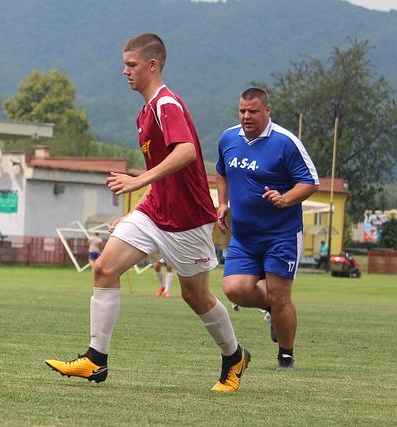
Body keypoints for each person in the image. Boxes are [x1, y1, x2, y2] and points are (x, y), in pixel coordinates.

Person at [46, 33, 249, 392]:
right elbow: (165, 176)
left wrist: (138, 181)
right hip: (156, 211)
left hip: (188, 221)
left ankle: (234, 357)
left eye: (132, 65)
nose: (125, 72)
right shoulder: (145, 113)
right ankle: (96, 360)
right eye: (124, 65)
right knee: (105, 267)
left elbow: (186, 153)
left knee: (195, 296)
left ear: (152, 65)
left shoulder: (166, 105)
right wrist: (137, 211)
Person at [215, 87, 319, 371]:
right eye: (242, 111)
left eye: (253, 111)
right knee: (233, 289)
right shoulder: (228, 138)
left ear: (267, 111)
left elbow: (310, 181)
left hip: (281, 234)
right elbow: (221, 172)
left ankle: (286, 356)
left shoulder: (285, 142)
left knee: (280, 294)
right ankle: (274, 310)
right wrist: (222, 203)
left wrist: (285, 199)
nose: (246, 116)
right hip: (244, 237)